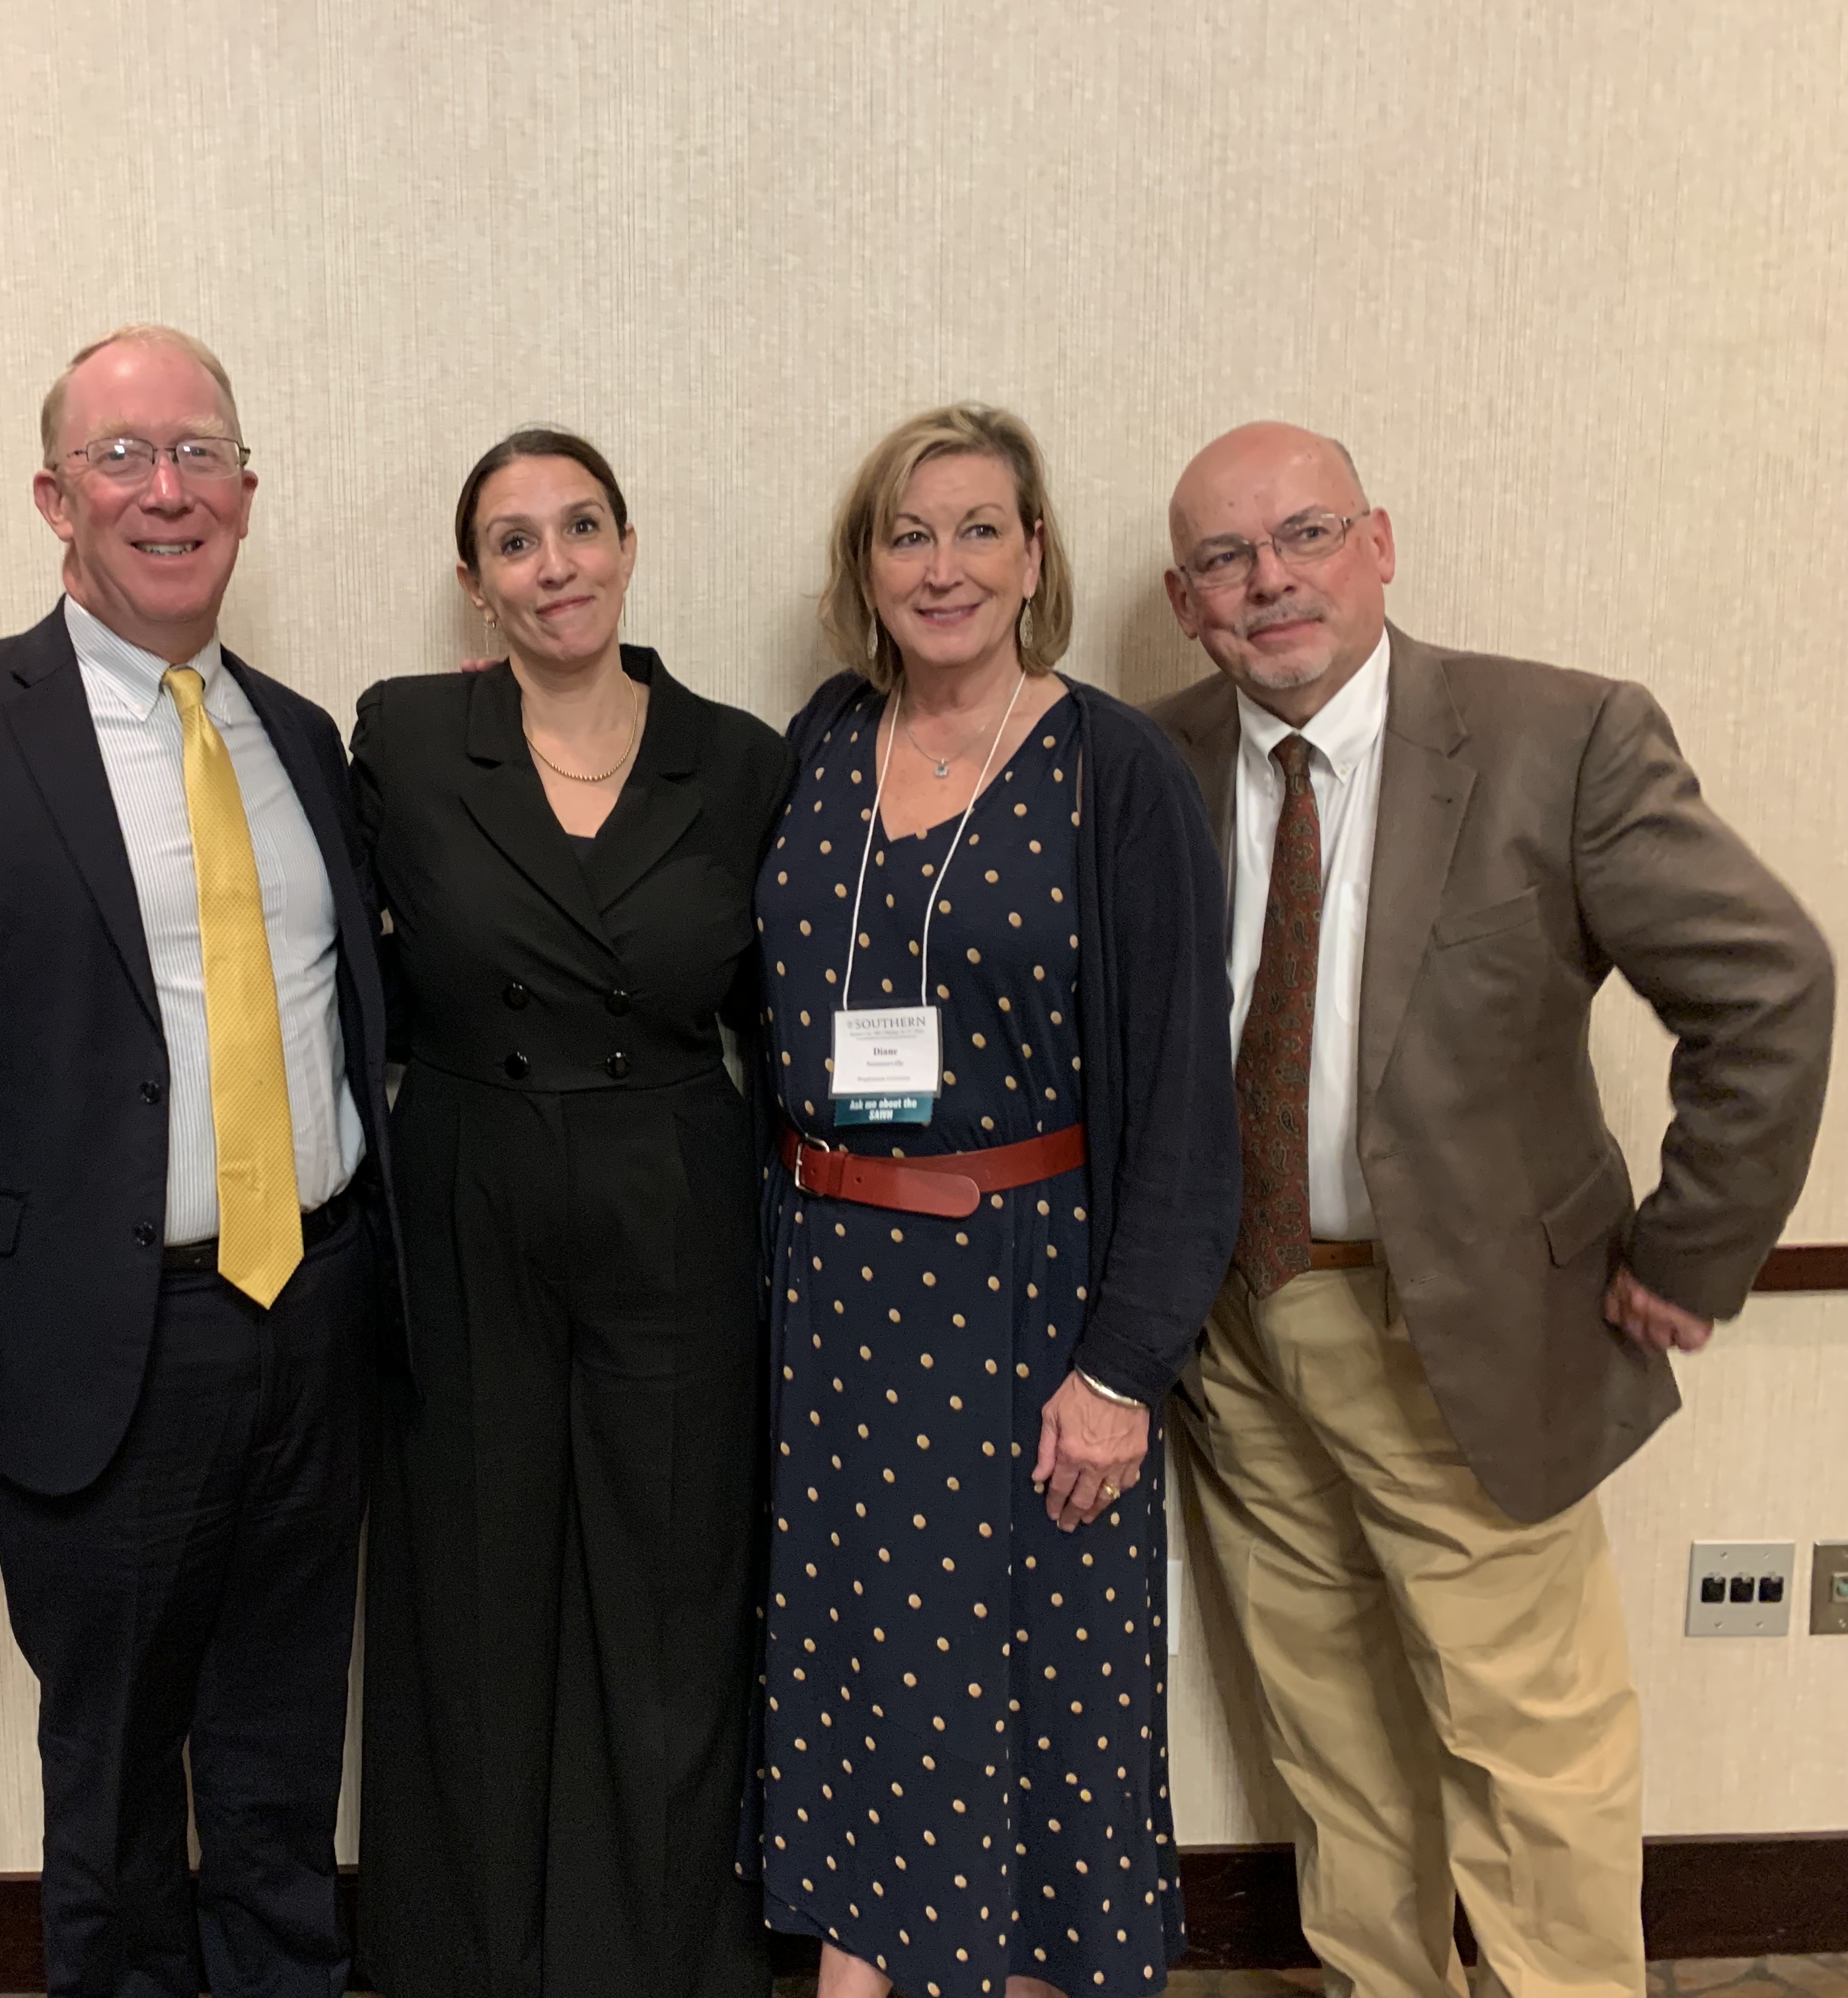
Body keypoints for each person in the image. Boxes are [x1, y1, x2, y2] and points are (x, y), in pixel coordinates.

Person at [1152, 420, 1833, 1998]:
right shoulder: (1151, 758)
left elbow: (1771, 984)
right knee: (1326, 1734)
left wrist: (1694, 1250)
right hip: (1238, 1334)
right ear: (1186, 604)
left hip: (1457, 1330)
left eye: (1306, 535)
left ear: (1381, 542)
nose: (1272, 582)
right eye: (1226, 560)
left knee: (1530, 1753)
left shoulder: (1559, 736)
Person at [0, 325, 397, 1998]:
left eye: (201, 454)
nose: (168, 491)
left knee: (287, 1764)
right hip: (94, 1334)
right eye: (124, 458)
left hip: (320, 1304)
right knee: (116, 1783)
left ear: (245, 491)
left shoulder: (304, 738)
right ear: (54, 499)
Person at [755, 404, 1239, 1998]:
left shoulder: (1117, 772)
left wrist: (1121, 1373)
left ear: (1037, 556)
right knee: (863, 1679)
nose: (944, 565)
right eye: (909, 533)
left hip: (1027, 1309)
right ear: (865, 566)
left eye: (979, 528)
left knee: (1038, 1700)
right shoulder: (826, 742)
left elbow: (1182, 1104)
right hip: (831, 1299)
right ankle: (864, 1967)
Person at [348, 428, 790, 1998]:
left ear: (627, 542)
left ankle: (656, 1958)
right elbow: (350, 973)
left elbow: (788, 1003)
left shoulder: (740, 756)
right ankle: (467, 1959)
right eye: (516, 543)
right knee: (470, 1594)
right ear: (477, 588)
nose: (557, 566)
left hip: (676, 1196)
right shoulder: (404, 737)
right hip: (467, 1185)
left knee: (671, 1596)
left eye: (581, 527)